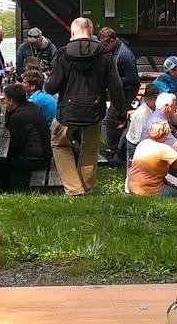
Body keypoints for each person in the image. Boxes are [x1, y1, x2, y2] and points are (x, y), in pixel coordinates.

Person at [44, 16, 124, 196]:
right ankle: (85, 187)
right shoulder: (104, 53)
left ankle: (74, 189)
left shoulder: (63, 53)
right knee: (90, 149)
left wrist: (48, 81)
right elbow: (116, 86)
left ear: (72, 33)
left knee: (59, 144)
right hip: (94, 110)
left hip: (68, 110)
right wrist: (121, 112)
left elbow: (52, 87)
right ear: (91, 32)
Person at [0, 82, 52, 190]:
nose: (3, 101)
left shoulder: (18, 117)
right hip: (45, 153)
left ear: (11, 101)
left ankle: (2, 190)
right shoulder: (31, 106)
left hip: (36, 160)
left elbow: (16, 146)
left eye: (5, 99)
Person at [98, 26, 140, 160]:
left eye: (105, 45)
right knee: (116, 119)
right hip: (119, 90)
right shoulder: (114, 50)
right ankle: (118, 148)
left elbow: (133, 79)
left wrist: (112, 81)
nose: (104, 48)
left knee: (111, 119)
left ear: (112, 41)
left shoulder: (124, 55)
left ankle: (114, 151)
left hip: (128, 90)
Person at [128, 121, 177, 198]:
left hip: (132, 186)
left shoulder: (143, 143)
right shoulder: (163, 148)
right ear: (165, 134)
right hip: (149, 191)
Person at [125, 83, 161, 165]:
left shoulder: (151, 109)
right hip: (136, 147)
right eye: (156, 99)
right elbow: (139, 138)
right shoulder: (142, 115)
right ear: (151, 99)